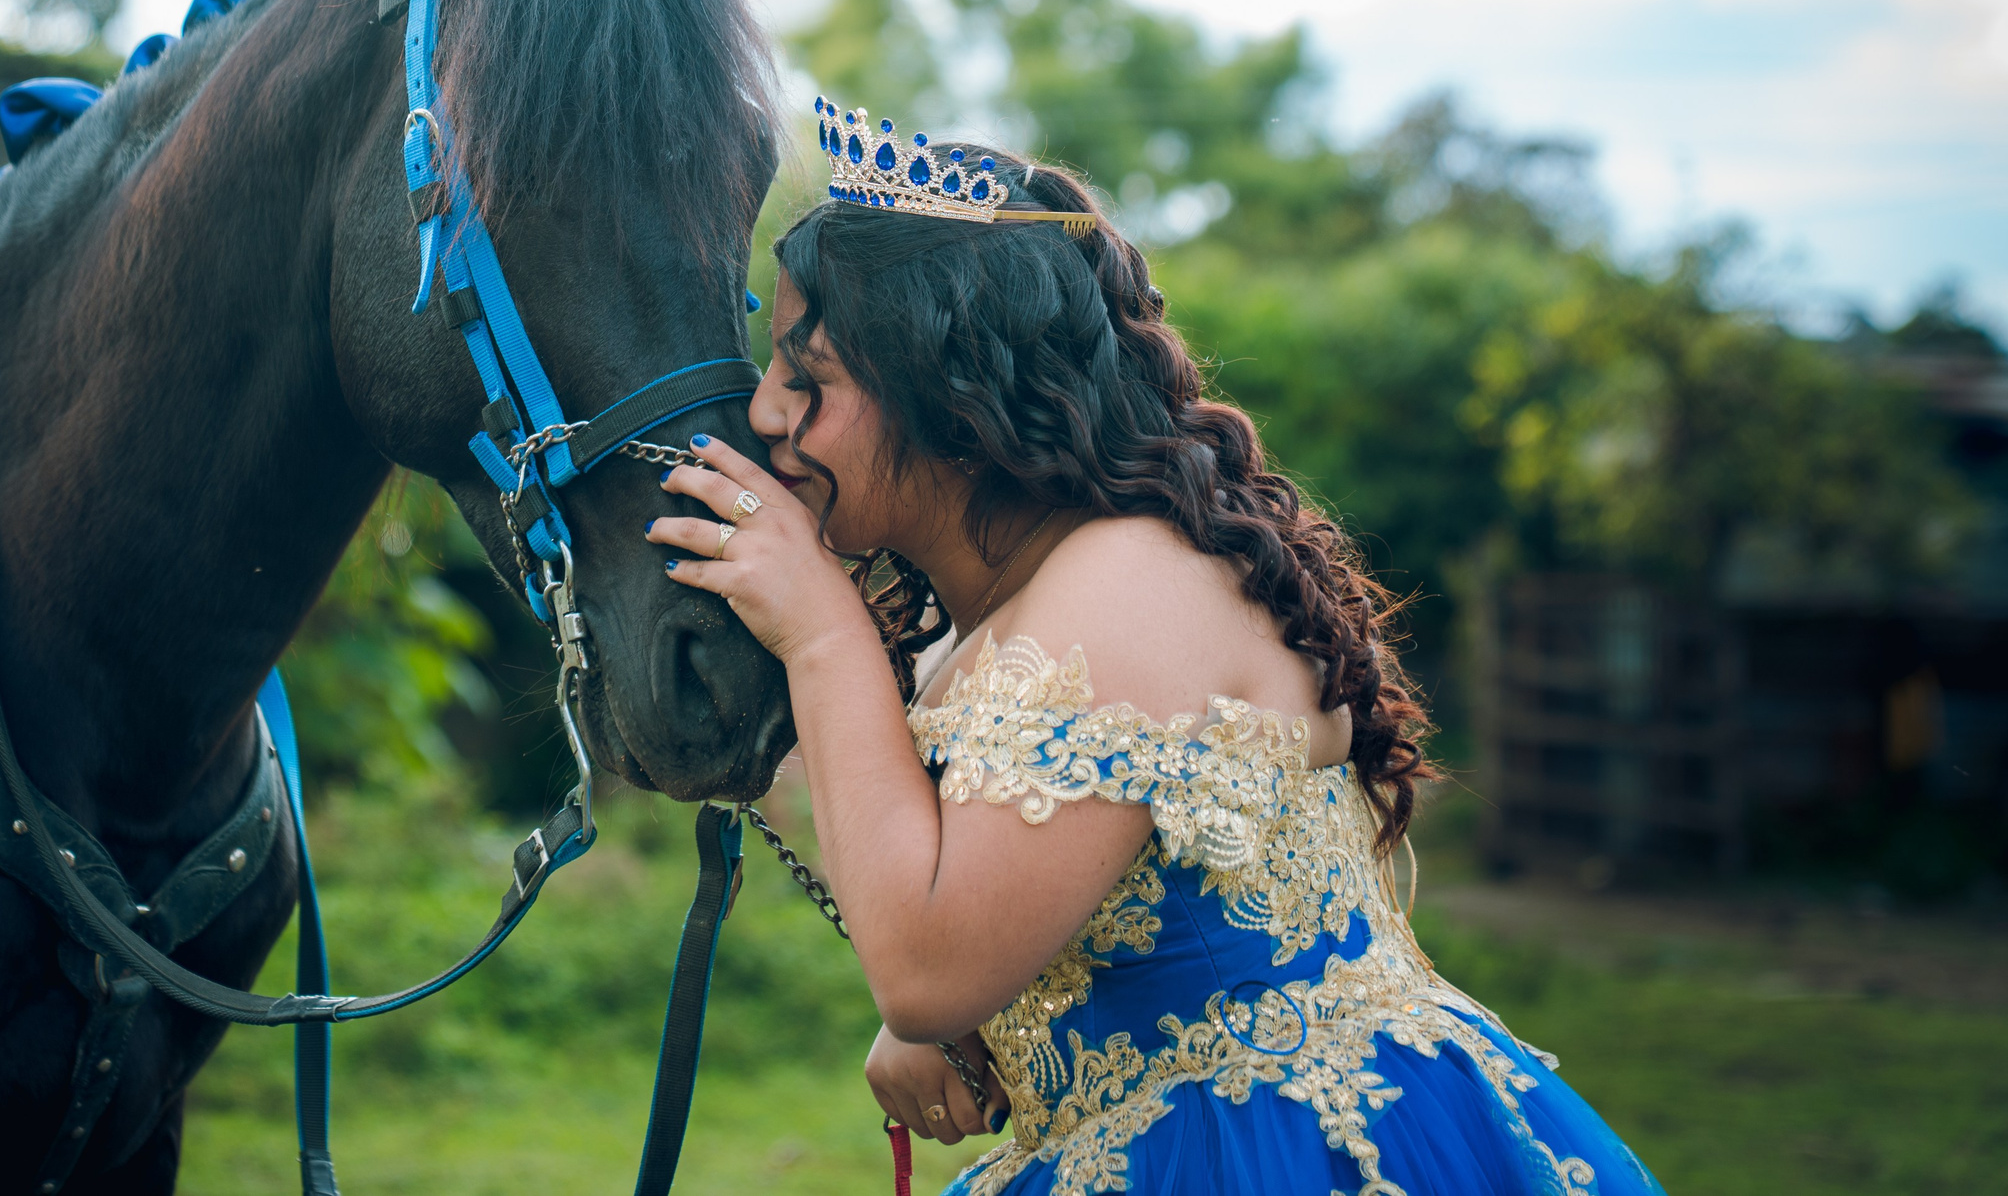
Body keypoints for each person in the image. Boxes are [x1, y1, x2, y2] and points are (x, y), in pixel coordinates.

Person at [643, 101, 1663, 1196]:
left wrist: (821, 631)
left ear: (952, 400)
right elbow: (1007, 920)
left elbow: (927, 969)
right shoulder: (1000, 609)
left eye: (812, 380)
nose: (764, 412)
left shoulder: (1125, 581)